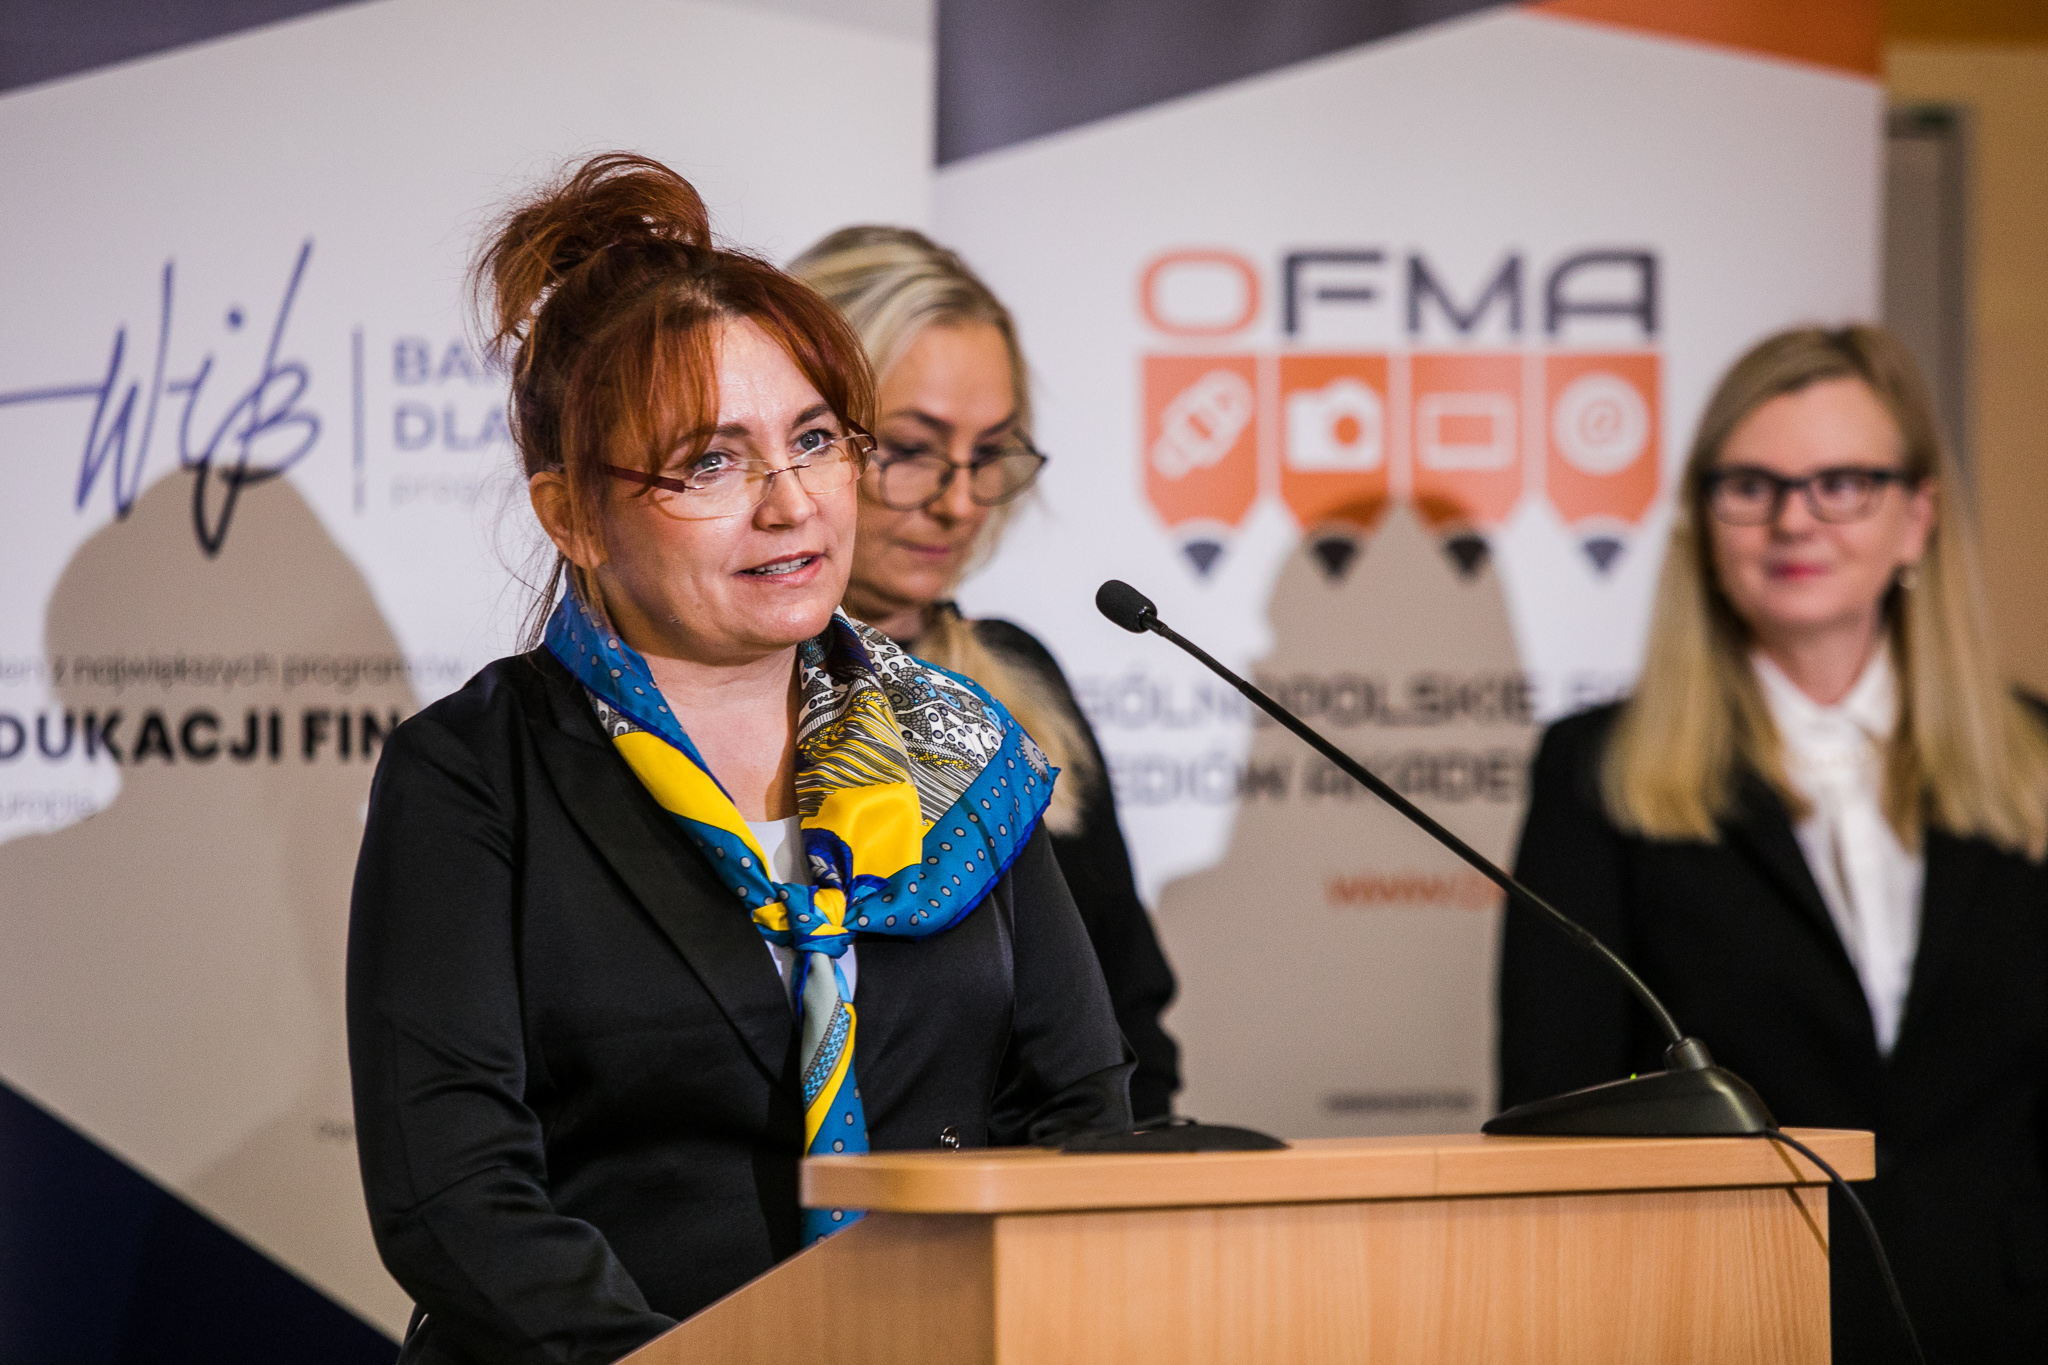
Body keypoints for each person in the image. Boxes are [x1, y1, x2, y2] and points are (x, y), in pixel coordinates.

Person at [346, 154, 1131, 1365]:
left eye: (813, 440)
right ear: (569, 516)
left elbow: (1075, 1109)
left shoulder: (952, 746)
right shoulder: (476, 776)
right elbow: (455, 1200)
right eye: (710, 462)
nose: (790, 503)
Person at [1499, 325, 2048, 1364]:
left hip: (2004, 1324)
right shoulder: (1594, 771)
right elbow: (1551, 1110)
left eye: (1841, 482)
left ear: (1916, 518)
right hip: (1721, 1324)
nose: (1794, 519)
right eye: (1749, 484)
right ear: (1702, 520)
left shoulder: (2036, 762)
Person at [789, 226, 1182, 1121]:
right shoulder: (725, 696)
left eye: (988, 454)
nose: (958, 502)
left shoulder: (1016, 675)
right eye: (911, 448)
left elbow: (1130, 1026)